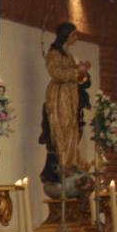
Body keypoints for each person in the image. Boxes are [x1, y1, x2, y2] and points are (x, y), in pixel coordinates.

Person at [41, 22, 92, 178]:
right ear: (66, 36)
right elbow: (56, 73)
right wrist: (77, 70)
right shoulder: (54, 54)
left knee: (72, 126)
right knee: (62, 126)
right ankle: (64, 162)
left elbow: (74, 76)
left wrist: (83, 72)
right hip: (59, 95)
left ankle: (72, 161)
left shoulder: (68, 55)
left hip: (71, 94)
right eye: (74, 35)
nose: (76, 38)